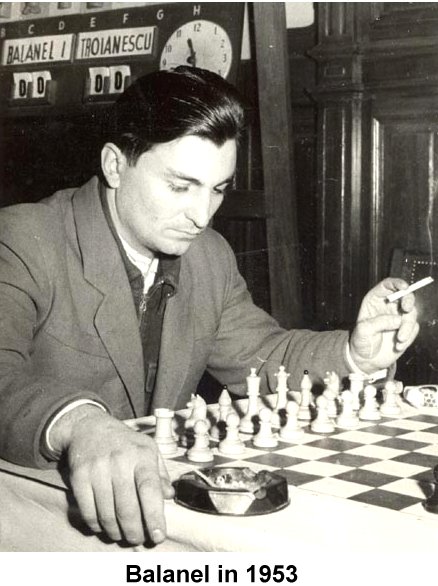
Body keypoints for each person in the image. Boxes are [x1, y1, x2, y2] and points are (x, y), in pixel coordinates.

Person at [0, 66, 418, 548]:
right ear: (115, 165)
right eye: (181, 186)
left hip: (155, 521)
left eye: (217, 189)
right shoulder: (23, 239)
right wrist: (80, 423)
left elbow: (264, 355)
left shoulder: (208, 257)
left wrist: (355, 354)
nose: (201, 217)